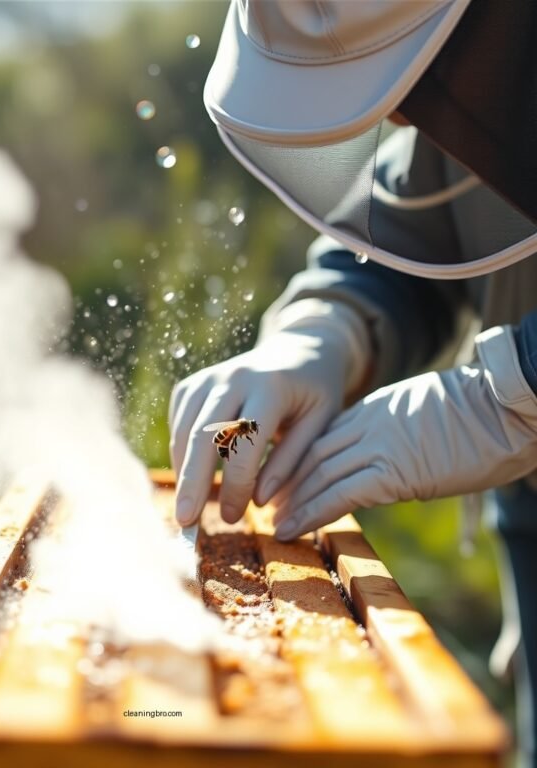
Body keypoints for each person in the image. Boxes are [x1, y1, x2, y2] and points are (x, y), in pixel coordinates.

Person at [168, 1, 537, 765]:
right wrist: (327, 331)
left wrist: (515, 393)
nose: (398, 117)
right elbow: (424, 231)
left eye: (405, 80)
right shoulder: (474, 89)